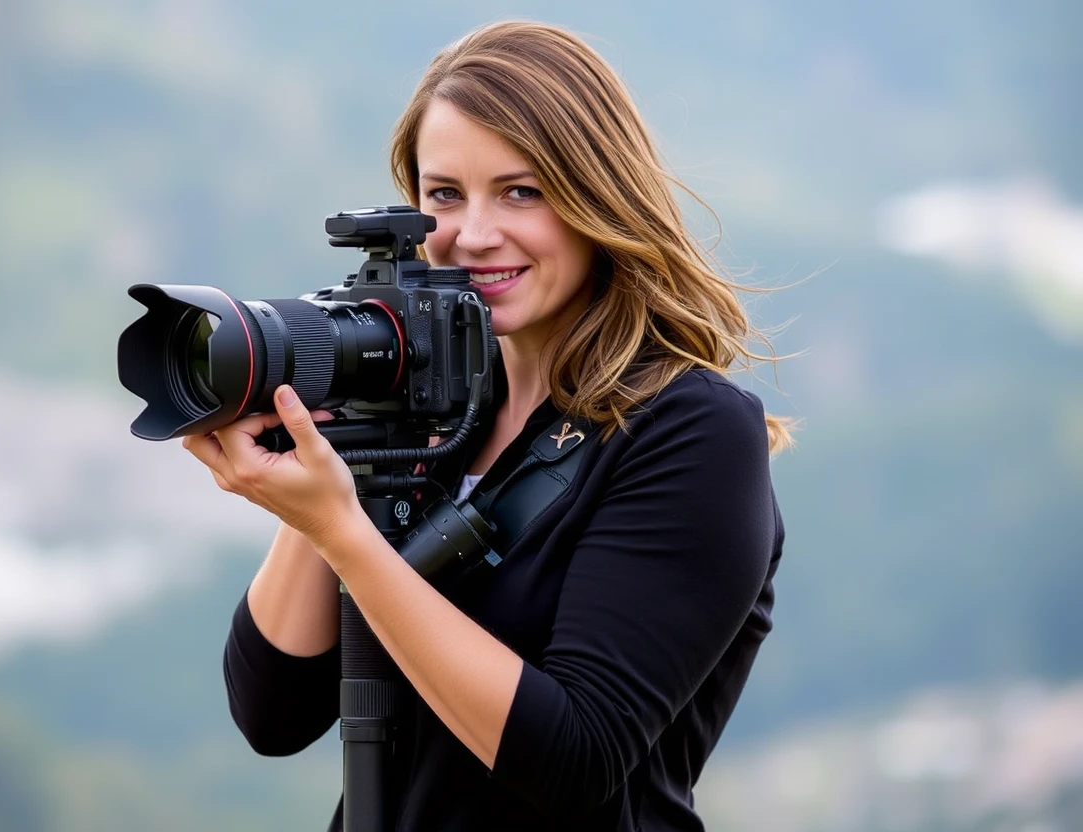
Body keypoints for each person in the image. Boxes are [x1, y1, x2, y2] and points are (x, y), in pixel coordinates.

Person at [184, 19, 792, 832]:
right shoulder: (434, 412)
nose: (472, 235)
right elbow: (272, 713)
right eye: (444, 196)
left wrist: (345, 532)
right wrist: (335, 461)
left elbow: (576, 756)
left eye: (521, 191)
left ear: (596, 197)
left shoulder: (690, 431)